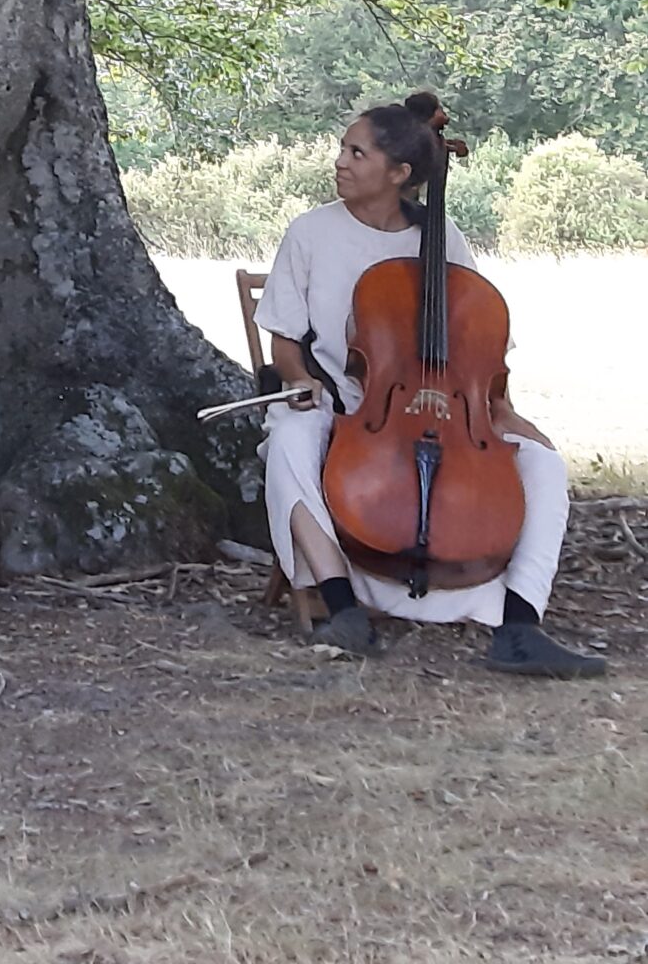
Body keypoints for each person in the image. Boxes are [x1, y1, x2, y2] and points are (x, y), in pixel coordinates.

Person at [255, 91, 604, 676]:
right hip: (350, 406)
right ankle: (343, 607)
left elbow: (480, 341)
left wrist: (501, 410)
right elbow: (285, 339)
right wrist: (297, 380)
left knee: (544, 463)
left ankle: (520, 625)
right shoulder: (311, 232)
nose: (340, 160)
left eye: (357, 152)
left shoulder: (446, 238)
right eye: (343, 148)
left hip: (450, 411)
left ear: (400, 174)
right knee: (290, 438)